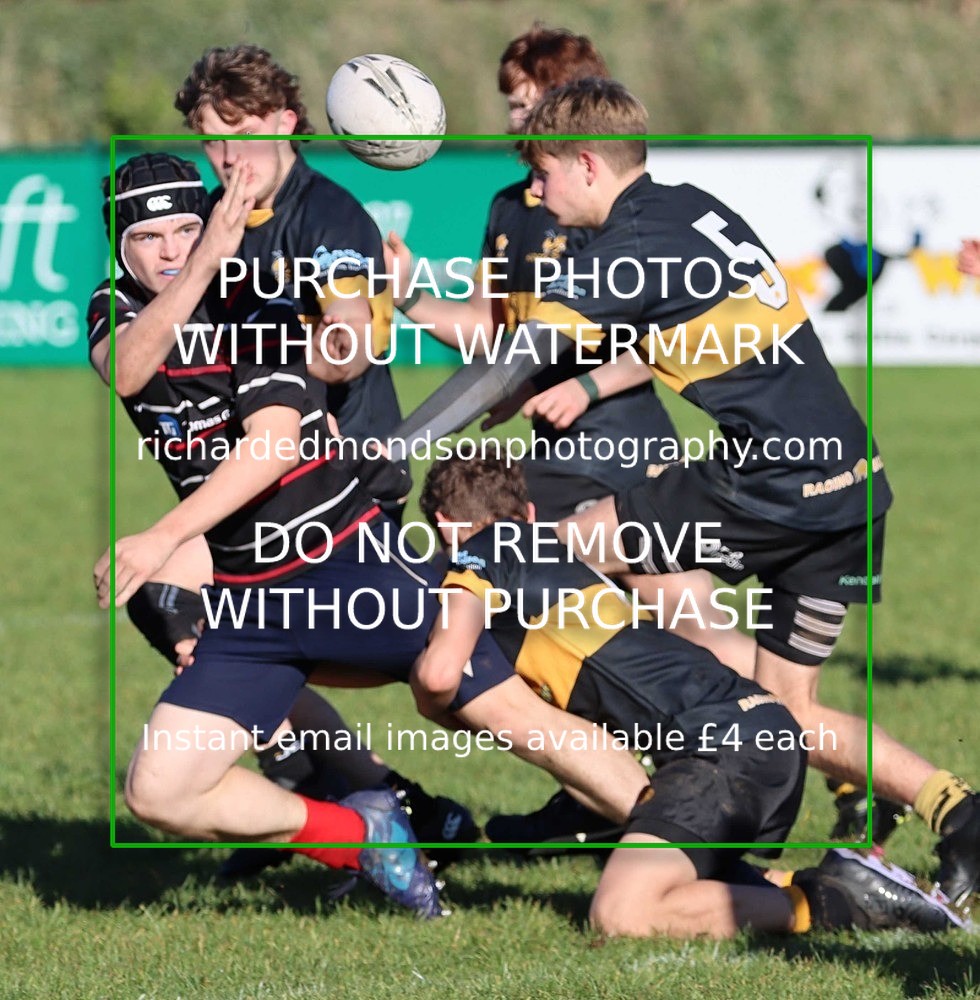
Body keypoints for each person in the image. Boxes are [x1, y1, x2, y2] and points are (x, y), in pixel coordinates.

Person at [390, 78, 980, 907]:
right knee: (784, 711)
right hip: (852, 481)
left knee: (536, 553)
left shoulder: (628, 247)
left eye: (546, 174)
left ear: (585, 163)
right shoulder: (688, 206)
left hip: (773, 482)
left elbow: (508, 360)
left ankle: (616, 774)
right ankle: (960, 813)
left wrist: (387, 450)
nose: (540, 194)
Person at [385, 26, 756, 847]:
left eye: (528, 102)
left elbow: (664, 336)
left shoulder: (611, 208)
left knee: (683, 625)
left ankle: (795, 743)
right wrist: (410, 299)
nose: (515, 116)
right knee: (562, 627)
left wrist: (586, 381)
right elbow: (494, 330)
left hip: (624, 445)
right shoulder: (509, 207)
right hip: (548, 461)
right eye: (511, 101)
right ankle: (601, 795)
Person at [412, 456, 967, 937]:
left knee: (623, 913)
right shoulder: (565, 554)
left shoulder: (477, 557)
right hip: (750, 727)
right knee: (676, 873)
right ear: (530, 513)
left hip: (720, 748)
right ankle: (833, 890)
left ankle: (835, 900)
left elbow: (440, 674)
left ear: (444, 525)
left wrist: (435, 705)